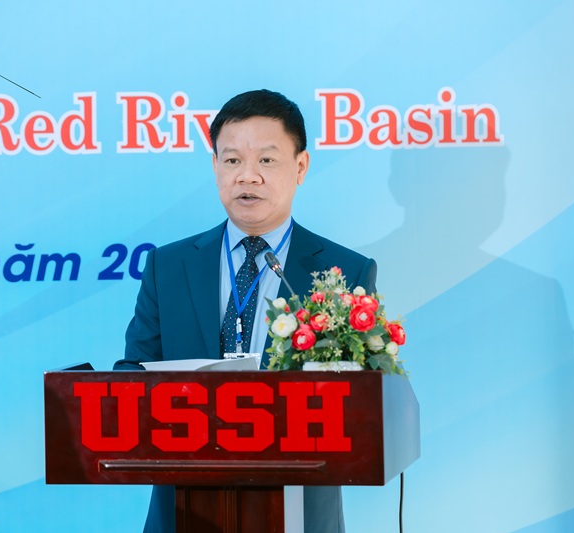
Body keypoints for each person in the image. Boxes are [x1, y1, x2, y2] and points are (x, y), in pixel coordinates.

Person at [114, 89, 377, 533]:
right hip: (184, 509)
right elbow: (132, 371)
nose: (247, 176)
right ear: (215, 166)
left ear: (300, 167)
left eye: (266, 160)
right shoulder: (168, 266)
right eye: (232, 160)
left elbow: (360, 402)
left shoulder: (344, 272)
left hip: (298, 510)